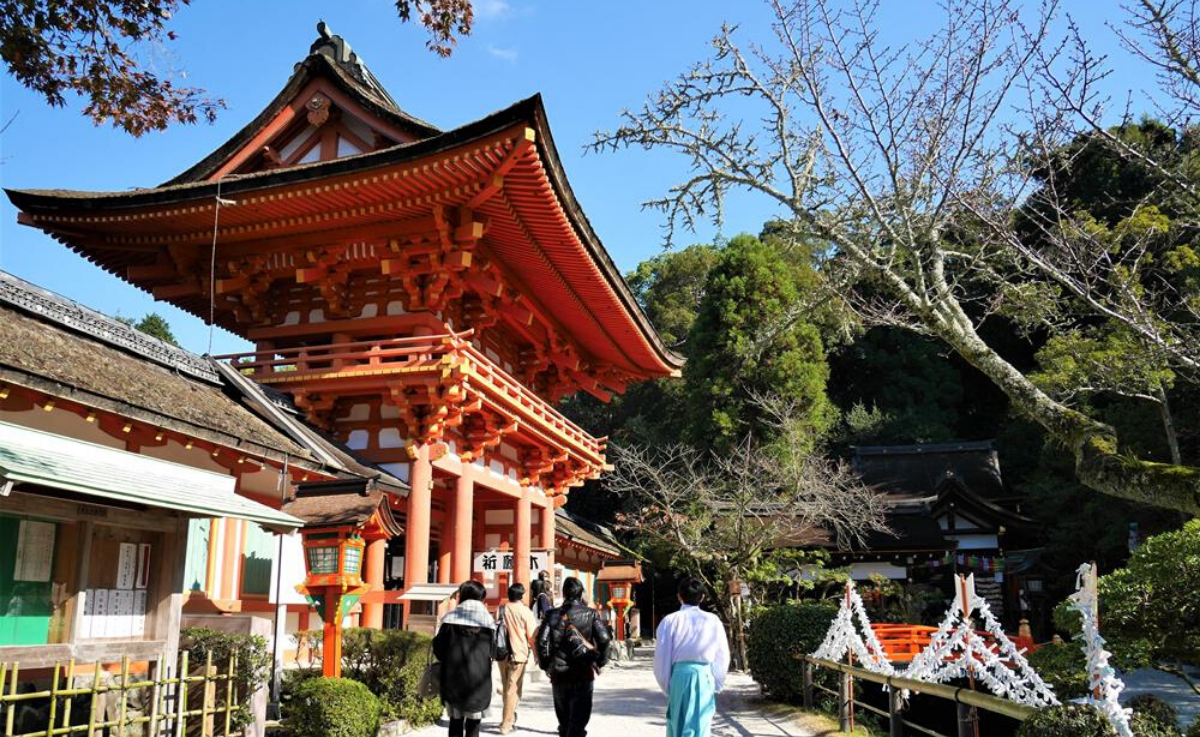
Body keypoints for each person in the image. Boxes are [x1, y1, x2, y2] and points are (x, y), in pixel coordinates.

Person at [653, 578, 730, 737]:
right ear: (702, 597)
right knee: (701, 724)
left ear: (679, 596)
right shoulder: (713, 620)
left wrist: (668, 686)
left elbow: (662, 658)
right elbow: (722, 656)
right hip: (705, 676)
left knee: (678, 723)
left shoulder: (670, 621)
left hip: (679, 677)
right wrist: (716, 683)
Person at [535, 576, 611, 737]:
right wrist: (600, 660)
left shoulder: (551, 614)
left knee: (564, 722)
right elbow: (604, 638)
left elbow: (541, 641)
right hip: (583, 672)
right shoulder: (591, 614)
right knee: (578, 723)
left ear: (563, 593)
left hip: (559, 674)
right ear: (581, 593)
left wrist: (546, 665)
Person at [433, 580, 495, 737]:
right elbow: (494, 652)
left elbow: (439, 651)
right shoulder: (489, 622)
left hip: (454, 678)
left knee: (455, 722)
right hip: (480, 679)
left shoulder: (449, 620)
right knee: (474, 724)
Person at [498, 583, 539, 734]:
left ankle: (509, 717)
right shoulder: (525, 611)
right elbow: (532, 636)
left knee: (507, 687)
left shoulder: (502, 608)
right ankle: (506, 724)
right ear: (521, 596)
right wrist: (536, 653)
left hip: (502, 653)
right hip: (518, 653)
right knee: (513, 689)